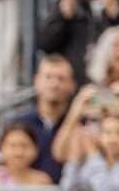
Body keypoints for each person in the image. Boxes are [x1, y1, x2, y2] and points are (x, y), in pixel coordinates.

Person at [10, 54, 76, 183]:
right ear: (36, 81)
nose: (54, 84)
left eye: (61, 79)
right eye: (48, 77)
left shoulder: (80, 123)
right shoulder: (19, 123)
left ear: (72, 85)